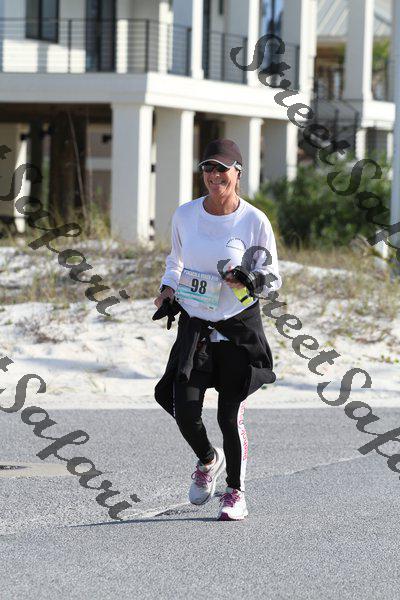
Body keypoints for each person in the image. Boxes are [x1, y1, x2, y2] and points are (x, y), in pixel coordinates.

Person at [153, 138, 282, 521]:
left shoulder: (254, 221)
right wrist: (168, 289)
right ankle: (208, 459)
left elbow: (272, 277)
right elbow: (175, 261)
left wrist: (249, 280)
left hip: (237, 328)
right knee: (181, 406)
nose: (213, 175)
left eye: (221, 169)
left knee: (229, 416)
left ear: (237, 173)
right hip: (196, 325)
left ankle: (235, 492)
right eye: (207, 168)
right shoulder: (185, 215)